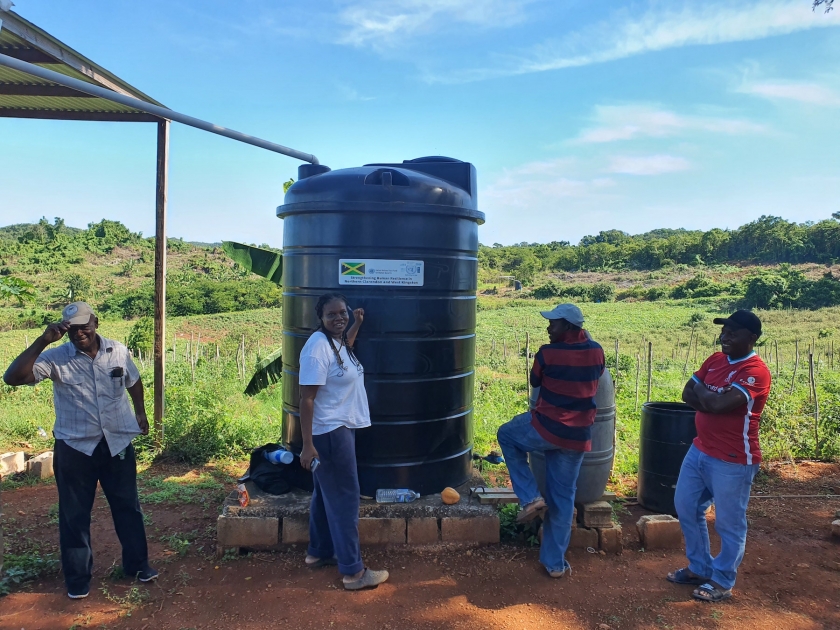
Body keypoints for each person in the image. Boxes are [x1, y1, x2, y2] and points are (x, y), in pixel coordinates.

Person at [3, 302, 156, 599]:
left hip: (117, 444)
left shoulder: (118, 351)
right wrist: (42, 340)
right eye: (72, 328)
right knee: (74, 514)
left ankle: (138, 566)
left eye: (84, 325)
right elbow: (13, 378)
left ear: (96, 322)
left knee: (128, 507)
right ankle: (77, 578)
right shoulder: (55, 358)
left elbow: (133, 381)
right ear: (65, 330)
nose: (79, 332)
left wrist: (141, 412)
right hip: (75, 448)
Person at [668, 310, 771, 603]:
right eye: (724, 331)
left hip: (733, 459)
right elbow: (688, 394)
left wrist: (707, 395)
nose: (725, 337)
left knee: (729, 522)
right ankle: (700, 567)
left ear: (751, 338)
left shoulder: (755, 371)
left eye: (733, 332)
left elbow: (719, 404)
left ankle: (723, 579)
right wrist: (709, 397)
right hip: (700, 448)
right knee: (686, 506)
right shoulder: (715, 360)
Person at [497, 303, 605, 578]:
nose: (548, 328)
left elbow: (535, 382)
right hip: (578, 437)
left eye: (553, 323)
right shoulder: (596, 352)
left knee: (506, 435)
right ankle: (555, 563)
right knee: (563, 497)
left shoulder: (547, 353)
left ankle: (531, 498)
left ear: (568, 327)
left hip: (546, 428)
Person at [297, 293, 389, 591]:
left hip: (337, 428)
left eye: (342, 313)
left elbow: (344, 349)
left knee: (325, 496)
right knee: (346, 498)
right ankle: (353, 572)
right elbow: (306, 398)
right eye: (331, 315)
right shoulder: (316, 349)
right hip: (329, 433)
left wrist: (357, 323)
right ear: (320, 318)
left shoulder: (332, 341)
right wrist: (307, 444)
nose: (338, 318)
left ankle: (319, 552)